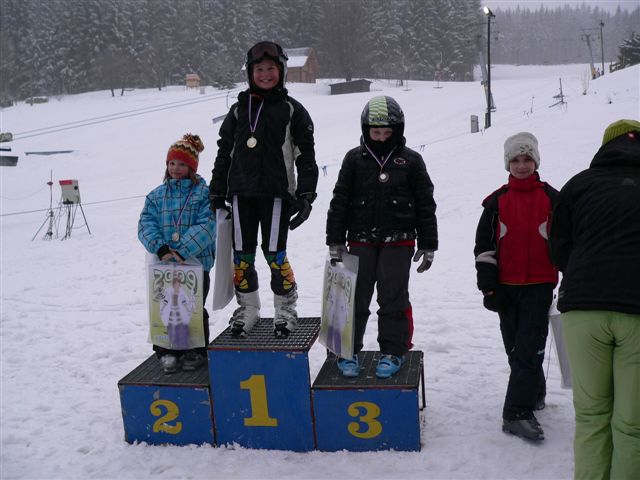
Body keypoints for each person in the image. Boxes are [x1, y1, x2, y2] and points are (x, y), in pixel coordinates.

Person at [550, 119, 640, 479]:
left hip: (583, 309)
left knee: (591, 415)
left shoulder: (579, 184)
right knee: (632, 424)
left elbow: (559, 249)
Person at [209, 41, 318, 338]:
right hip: (241, 195)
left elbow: (305, 156)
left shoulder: (293, 110)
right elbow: (224, 154)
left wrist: (306, 195)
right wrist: (216, 192)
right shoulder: (237, 111)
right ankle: (248, 308)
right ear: (250, 73)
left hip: (276, 196)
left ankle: (285, 308)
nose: (265, 74)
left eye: (271, 68)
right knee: (242, 257)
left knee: (274, 255)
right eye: (259, 69)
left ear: (281, 71)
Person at [326, 95, 438, 379]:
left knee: (393, 297)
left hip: (399, 241)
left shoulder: (411, 161)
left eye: (388, 133)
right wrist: (335, 239)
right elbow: (340, 200)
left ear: (398, 131)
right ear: (366, 130)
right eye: (376, 133)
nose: (381, 138)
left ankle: (393, 351)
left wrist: (428, 244)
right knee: (354, 297)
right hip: (360, 240)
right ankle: (346, 351)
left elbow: (425, 203)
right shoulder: (354, 159)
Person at [474, 132, 558, 441]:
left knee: (528, 348)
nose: (521, 165)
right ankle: (534, 391)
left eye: (527, 159)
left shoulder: (553, 199)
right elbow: (484, 248)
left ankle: (516, 413)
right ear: (507, 163)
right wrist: (489, 288)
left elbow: (566, 244)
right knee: (515, 349)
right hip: (506, 288)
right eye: (515, 160)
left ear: (536, 161)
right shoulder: (496, 203)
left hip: (539, 286)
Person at [138, 134, 216, 373]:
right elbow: (146, 224)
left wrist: (183, 250)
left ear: (192, 167)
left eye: (182, 164)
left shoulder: (204, 194)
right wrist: (160, 247)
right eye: (171, 163)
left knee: (192, 306)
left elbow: (207, 224)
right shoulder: (156, 196)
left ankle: (195, 350)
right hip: (164, 265)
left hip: (195, 264)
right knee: (165, 305)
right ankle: (167, 349)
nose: (175, 168)